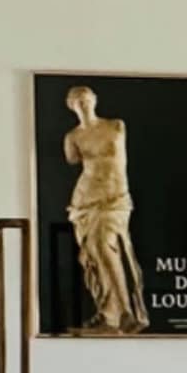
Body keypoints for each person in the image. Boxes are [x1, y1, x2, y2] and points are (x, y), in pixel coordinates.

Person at [62, 85, 146, 333]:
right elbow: (74, 160)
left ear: (95, 100)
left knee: (104, 246)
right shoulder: (72, 138)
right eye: (78, 101)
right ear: (72, 106)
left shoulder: (116, 126)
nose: (83, 103)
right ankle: (111, 314)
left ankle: (125, 311)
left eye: (87, 99)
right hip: (86, 199)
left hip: (115, 198)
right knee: (96, 254)